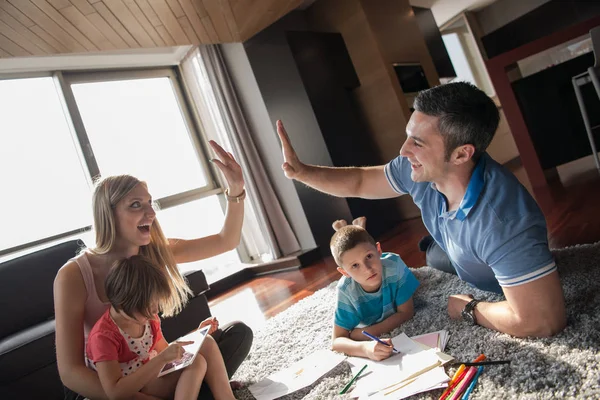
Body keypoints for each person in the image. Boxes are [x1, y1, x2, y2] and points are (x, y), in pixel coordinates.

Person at [277, 82, 566, 338]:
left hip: (486, 260)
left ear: (461, 153)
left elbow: (542, 321)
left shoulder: (503, 222)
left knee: (441, 257)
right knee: (432, 254)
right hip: (455, 249)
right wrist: (302, 172)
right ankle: (437, 243)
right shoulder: (421, 167)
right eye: (408, 136)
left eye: (417, 142)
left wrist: (470, 308)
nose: (403, 150)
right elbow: (361, 179)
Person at [54, 140, 252, 400]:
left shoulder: (154, 251)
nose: (151, 212)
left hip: (150, 372)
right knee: (200, 373)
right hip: (106, 389)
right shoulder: (73, 276)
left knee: (235, 334)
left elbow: (227, 240)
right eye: (136, 205)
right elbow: (70, 372)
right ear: (108, 214)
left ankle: (206, 389)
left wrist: (236, 190)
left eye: (150, 203)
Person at [86, 255, 234, 400]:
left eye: (156, 306)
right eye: (148, 308)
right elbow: (115, 392)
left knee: (206, 342)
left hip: (155, 375)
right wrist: (162, 359)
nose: (155, 313)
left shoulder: (149, 319)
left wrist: (197, 334)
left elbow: (165, 350)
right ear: (123, 303)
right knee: (198, 362)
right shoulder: (104, 337)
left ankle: (225, 396)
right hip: (136, 389)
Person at [330, 217, 419, 361]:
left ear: (379, 250)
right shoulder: (346, 291)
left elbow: (406, 312)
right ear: (344, 273)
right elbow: (337, 341)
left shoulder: (394, 265)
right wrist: (365, 348)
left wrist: (367, 332)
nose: (367, 269)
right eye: (355, 266)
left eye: (369, 256)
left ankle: (356, 228)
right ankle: (351, 228)